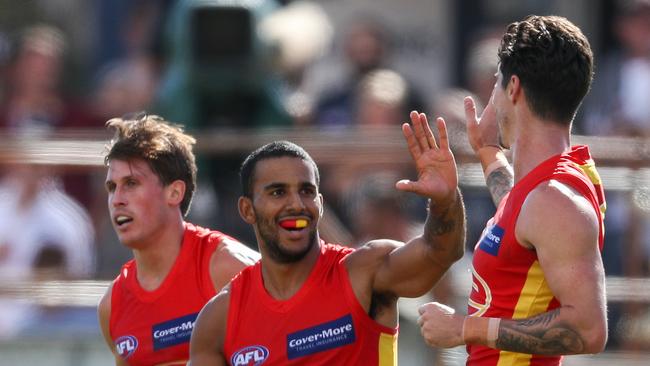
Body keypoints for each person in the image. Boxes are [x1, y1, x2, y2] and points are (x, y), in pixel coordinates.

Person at [189, 111, 466, 365]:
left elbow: (440, 252)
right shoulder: (220, 318)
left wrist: (445, 201)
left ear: (320, 203)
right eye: (278, 192)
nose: (296, 203)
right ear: (247, 209)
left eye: (306, 191)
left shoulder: (364, 271)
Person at [416, 15, 608, 365]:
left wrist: (464, 329)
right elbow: (520, 217)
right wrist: (487, 152)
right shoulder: (544, 189)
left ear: (514, 88)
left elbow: (588, 330)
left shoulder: (554, 199)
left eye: (495, 84)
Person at [96, 113, 259, 366]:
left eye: (131, 183)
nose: (117, 199)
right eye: (111, 187)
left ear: (174, 192)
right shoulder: (113, 306)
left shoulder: (228, 269)